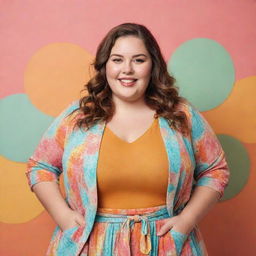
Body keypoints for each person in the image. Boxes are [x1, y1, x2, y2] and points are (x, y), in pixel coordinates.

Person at [26, 23, 230, 256]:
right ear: (105, 66)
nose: (127, 69)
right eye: (117, 59)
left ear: (153, 65)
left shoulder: (181, 116)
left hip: (167, 245)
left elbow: (215, 171)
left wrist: (186, 221)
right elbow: (40, 166)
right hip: (91, 245)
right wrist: (64, 217)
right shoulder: (79, 117)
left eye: (139, 60)